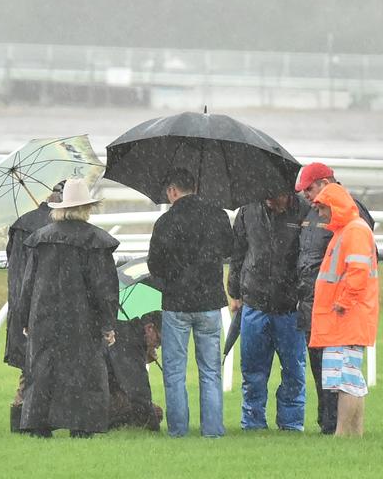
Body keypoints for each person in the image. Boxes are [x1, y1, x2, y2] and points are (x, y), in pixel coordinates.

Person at [17, 178, 119, 439]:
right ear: (86, 208)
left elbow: (27, 283)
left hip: (45, 316)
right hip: (83, 319)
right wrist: (108, 324)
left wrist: (25, 318)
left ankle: (39, 425)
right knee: (83, 373)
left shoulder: (41, 239)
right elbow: (104, 289)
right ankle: (82, 426)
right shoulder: (96, 241)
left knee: (42, 371)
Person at [147, 168, 233, 438]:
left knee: (174, 372)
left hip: (176, 304)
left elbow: (154, 265)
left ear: (173, 191)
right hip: (209, 302)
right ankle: (213, 430)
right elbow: (230, 250)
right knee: (210, 371)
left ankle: (178, 430)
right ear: (195, 186)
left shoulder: (165, 222)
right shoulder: (217, 215)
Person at [295, 162, 374, 434]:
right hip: (336, 317)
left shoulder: (354, 229)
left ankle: (345, 432)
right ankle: (345, 431)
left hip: (345, 317)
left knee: (346, 381)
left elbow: (358, 271)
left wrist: (342, 303)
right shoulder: (344, 230)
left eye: (321, 208)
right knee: (342, 380)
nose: (318, 213)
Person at [228, 185, 311, 431]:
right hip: (254, 303)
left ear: (287, 193)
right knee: (252, 371)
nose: (269, 202)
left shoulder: (304, 211)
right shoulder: (248, 210)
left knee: (294, 372)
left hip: (290, 308)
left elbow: (310, 255)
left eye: (274, 197)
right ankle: (252, 423)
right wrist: (234, 292)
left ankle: (291, 424)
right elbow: (237, 253)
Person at [5, 180, 65, 433]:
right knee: (42, 366)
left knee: (31, 365)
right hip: (46, 303)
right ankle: (33, 418)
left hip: (22, 299)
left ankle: (20, 415)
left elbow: (14, 264)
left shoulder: (22, 224)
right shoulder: (54, 228)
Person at [106, 311, 164, 431]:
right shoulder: (131, 342)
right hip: (99, 393)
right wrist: (154, 425)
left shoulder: (125, 332)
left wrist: (144, 357)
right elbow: (137, 389)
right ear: (149, 328)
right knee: (155, 412)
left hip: (98, 388)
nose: (158, 346)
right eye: (159, 340)